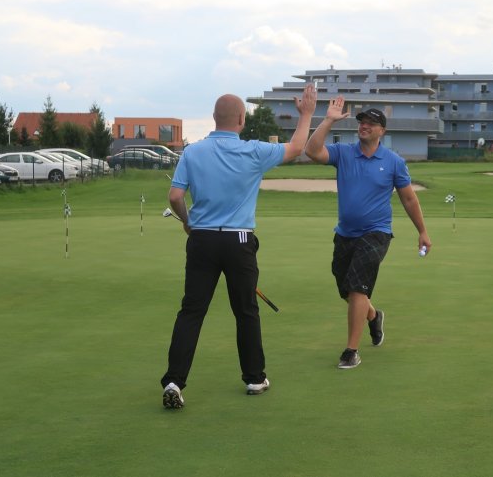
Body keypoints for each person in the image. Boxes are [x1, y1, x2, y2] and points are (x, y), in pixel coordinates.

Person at [160, 84, 317, 409]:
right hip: (239, 241)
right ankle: (255, 378)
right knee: (245, 311)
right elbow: (298, 147)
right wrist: (307, 114)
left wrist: (188, 221)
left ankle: (175, 380)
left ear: (214, 119)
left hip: (202, 239)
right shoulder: (254, 151)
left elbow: (175, 197)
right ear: (241, 120)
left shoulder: (193, 152)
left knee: (191, 311)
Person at [305, 97, 431, 369]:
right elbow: (312, 151)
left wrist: (422, 231)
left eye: (372, 123)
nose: (364, 126)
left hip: (377, 232)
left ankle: (351, 351)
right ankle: (373, 317)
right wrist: (327, 120)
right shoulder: (343, 153)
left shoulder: (394, 162)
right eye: (362, 122)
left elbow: (409, 199)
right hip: (345, 233)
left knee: (357, 286)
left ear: (382, 131)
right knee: (347, 290)